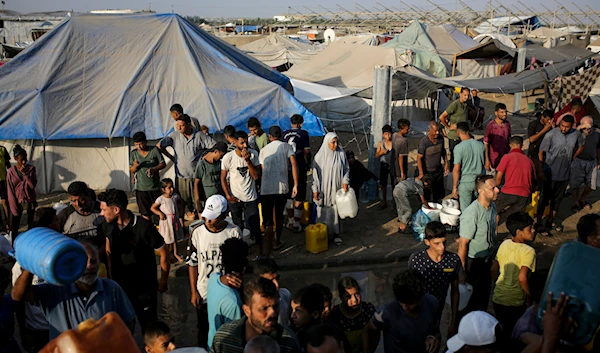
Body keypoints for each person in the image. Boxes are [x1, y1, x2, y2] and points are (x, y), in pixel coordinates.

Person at [11, 242, 136, 339]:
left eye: (93, 261)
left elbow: (128, 322)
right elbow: (18, 296)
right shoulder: (56, 291)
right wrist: (30, 266)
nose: (89, 266)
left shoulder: (112, 288)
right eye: (82, 262)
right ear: (71, 264)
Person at [98, 189, 170, 332]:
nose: (101, 213)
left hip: (144, 289)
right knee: (123, 329)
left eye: (103, 210)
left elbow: (164, 252)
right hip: (120, 289)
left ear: (116, 209)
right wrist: (111, 279)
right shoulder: (107, 226)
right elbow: (108, 251)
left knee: (149, 327)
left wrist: (163, 281)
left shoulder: (144, 227)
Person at [188, 194, 241, 348]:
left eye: (213, 218)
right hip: (204, 291)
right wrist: (194, 292)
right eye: (206, 217)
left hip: (227, 292)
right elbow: (192, 263)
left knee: (228, 329)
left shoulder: (234, 232)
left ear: (224, 215)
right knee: (203, 327)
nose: (208, 221)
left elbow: (239, 265)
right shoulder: (197, 233)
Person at [210, 276, 302, 353]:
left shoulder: (288, 341)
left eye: (275, 306)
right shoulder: (224, 338)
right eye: (264, 309)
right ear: (247, 311)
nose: (272, 313)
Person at [362, 269, 440, 353]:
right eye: (402, 302)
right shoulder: (386, 312)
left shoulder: (432, 303)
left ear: (421, 295)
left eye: (411, 303)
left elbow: (436, 330)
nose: (405, 307)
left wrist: (433, 337)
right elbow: (369, 330)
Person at [408, 221, 462, 334]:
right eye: (437, 243)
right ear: (427, 242)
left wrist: (453, 322)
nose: (442, 247)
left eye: (444, 242)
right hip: (416, 315)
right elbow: (409, 289)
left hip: (437, 314)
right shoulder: (416, 260)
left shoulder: (453, 260)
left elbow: (455, 291)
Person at [159, 114, 216, 220]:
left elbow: (214, 146)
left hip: (196, 177)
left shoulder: (199, 136)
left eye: (182, 125)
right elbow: (160, 145)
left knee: (199, 203)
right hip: (182, 177)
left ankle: (202, 225)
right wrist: (171, 157)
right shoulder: (175, 136)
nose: (179, 128)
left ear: (189, 124)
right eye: (178, 125)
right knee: (182, 203)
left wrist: (206, 157)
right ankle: (182, 227)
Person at [491, 212, 536, 341]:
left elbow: (494, 269)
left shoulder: (504, 244)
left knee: (503, 331)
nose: (533, 231)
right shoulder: (529, 251)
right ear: (519, 232)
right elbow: (522, 278)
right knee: (515, 335)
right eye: (529, 229)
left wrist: (498, 284)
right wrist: (530, 295)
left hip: (498, 298)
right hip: (516, 302)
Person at [457, 174, 499, 314]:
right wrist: (462, 271)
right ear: (481, 191)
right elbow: (463, 244)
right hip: (473, 263)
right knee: (470, 303)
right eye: (492, 188)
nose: (497, 190)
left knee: (483, 298)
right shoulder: (472, 213)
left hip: (487, 261)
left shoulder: (492, 207)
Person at [538, 114, 584, 234]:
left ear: (572, 126)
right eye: (562, 126)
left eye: (566, 127)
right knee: (544, 199)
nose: (563, 129)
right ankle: (538, 222)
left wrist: (573, 157)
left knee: (557, 200)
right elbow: (541, 152)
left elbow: (581, 146)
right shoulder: (551, 134)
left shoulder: (576, 134)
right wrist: (541, 170)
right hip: (550, 173)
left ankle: (550, 221)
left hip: (564, 175)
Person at [220, 130, 262, 255]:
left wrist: (248, 161)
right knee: (237, 227)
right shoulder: (228, 157)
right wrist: (228, 195)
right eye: (242, 143)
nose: (245, 145)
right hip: (235, 198)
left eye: (246, 142)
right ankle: (240, 253)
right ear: (236, 142)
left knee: (254, 225)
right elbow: (222, 177)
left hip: (250, 197)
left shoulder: (253, 155)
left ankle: (261, 253)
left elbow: (256, 177)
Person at [259, 125, 299, 256]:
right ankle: (277, 241)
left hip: (266, 189)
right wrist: (296, 184)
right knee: (279, 215)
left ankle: (267, 250)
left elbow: (263, 170)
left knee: (268, 221)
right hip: (282, 188)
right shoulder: (286, 147)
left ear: (269, 137)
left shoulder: (263, 150)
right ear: (281, 136)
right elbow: (293, 164)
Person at [207, 238, 249, 348]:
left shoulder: (213, 279)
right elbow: (235, 337)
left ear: (222, 263)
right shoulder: (233, 303)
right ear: (244, 268)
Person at [312, 132, 350, 246]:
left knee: (335, 210)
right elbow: (315, 175)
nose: (335, 145)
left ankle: (336, 234)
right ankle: (322, 234)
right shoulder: (319, 157)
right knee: (323, 211)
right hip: (324, 189)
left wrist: (345, 181)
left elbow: (346, 169)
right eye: (333, 142)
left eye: (336, 142)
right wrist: (315, 190)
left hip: (336, 188)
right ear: (327, 143)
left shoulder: (341, 154)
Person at [494, 136, 536, 223]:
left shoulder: (507, 157)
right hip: (524, 195)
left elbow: (498, 176)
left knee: (493, 210)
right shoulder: (529, 161)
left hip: (508, 192)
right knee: (516, 218)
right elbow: (533, 180)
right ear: (522, 145)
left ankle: (494, 233)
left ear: (510, 145)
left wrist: (496, 188)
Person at [329, 277, 376, 353]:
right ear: (341, 298)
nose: (354, 300)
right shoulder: (335, 313)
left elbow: (375, 334)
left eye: (357, 294)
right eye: (348, 296)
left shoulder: (367, 309)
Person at [283, 114, 312, 232]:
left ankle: (289, 221)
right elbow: (306, 150)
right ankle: (296, 223)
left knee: (289, 195)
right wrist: (308, 162)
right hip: (299, 166)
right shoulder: (304, 133)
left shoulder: (284, 134)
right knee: (299, 194)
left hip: (286, 168)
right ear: (301, 123)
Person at [130, 131, 166, 221]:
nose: (139, 147)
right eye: (136, 144)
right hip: (141, 188)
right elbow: (131, 169)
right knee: (145, 213)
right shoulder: (134, 154)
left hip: (154, 187)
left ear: (146, 142)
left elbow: (163, 164)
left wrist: (154, 169)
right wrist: (135, 166)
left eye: (141, 144)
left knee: (159, 211)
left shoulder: (154, 150)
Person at [56, 181, 105, 247]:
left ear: (89, 196)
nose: (77, 204)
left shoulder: (102, 210)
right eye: (74, 201)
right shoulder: (65, 215)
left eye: (82, 200)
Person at [451, 122, 485, 211]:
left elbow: (456, 169)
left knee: (466, 211)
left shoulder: (458, 148)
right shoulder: (480, 145)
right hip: (478, 182)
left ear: (458, 132)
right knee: (477, 208)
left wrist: (454, 187)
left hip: (465, 182)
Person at [7, 144, 37, 240]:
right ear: (16, 159)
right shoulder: (11, 172)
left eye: (25, 158)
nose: (24, 161)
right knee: (15, 225)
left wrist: (25, 174)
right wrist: (13, 206)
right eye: (21, 159)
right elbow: (10, 190)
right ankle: (14, 244)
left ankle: (30, 241)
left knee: (30, 224)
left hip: (29, 199)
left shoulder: (31, 169)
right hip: (17, 200)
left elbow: (32, 185)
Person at [253, 255, 293, 326]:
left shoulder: (285, 294)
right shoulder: (254, 302)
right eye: (270, 281)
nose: (276, 285)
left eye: (277, 278)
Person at [151, 178, 185, 262]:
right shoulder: (161, 199)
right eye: (169, 188)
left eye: (172, 187)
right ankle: (166, 254)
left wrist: (180, 213)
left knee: (174, 238)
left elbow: (181, 203)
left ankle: (175, 254)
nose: (172, 189)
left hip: (174, 220)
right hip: (166, 221)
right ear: (163, 189)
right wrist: (160, 213)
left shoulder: (175, 197)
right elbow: (153, 208)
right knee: (167, 239)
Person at [571, 116, 600, 211]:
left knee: (592, 184)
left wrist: (599, 161)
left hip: (592, 161)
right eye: (584, 127)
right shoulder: (577, 133)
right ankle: (575, 202)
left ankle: (582, 198)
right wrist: (579, 128)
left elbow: (598, 148)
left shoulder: (597, 133)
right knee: (576, 183)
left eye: (589, 127)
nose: (587, 130)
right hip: (578, 160)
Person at [417, 121, 449, 202]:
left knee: (439, 193)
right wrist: (421, 173)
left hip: (438, 170)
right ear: (429, 131)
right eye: (435, 131)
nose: (437, 133)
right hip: (428, 172)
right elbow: (419, 158)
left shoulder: (441, 139)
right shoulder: (424, 142)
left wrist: (446, 164)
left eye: (438, 130)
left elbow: (443, 151)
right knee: (427, 193)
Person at [193, 142, 228, 212]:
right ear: (215, 151)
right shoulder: (202, 164)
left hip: (220, 199)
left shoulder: (220, 163)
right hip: (208, 201)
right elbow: (196, 183)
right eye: (221, 156)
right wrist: (198, 202)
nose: (221, 158)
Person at [440, 87, 470, 166]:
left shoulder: (466, 105)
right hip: (454, 136)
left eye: (468, 95)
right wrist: (449, 127)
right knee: (454, 158)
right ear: (460, 94)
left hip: (463, 135)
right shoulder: (455, 104)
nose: (466, 97)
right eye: (465, 95)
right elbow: (442, 117)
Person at [484, 103, 511, 172]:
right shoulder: (491, 126)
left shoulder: (507, 124)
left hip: (505, 158)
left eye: (505, 112)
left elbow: (509, 139)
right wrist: (487, 159)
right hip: (494, 159)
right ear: (496, 113)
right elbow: (486, 144)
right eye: (502, 112)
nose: (504, 114)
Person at [0, 267, 20, 353]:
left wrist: (24, 334)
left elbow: (20, 312)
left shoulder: (8, 301)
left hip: (8, 346)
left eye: (2, 290)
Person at [376, 125, 395, 209]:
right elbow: (376, 155)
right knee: (383, 183)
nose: (388, 136)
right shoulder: (381, 143)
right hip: (384, 165)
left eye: (390, 134)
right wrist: (382, 152)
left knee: (393, 183)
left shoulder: (394, 142)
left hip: (392, 165)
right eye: (386, 134)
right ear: (383, 135)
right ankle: (384, 201)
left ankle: (395, 201)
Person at [0, 144, 10, 232]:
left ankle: (7, 223)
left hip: (2, 180)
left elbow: (8, 165)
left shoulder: (2, 149)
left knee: (4, 202)